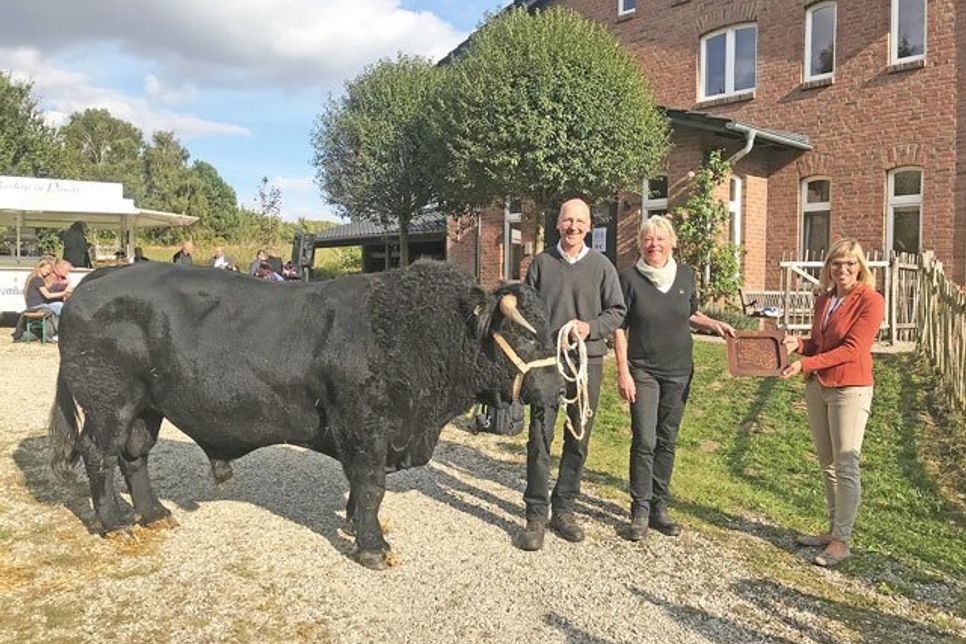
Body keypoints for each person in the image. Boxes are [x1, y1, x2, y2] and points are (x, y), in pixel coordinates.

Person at [613, 215, 736, 541]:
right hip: (644, 370)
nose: (654, 244)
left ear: (672, 242)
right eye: (648, 239)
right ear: (640, 244)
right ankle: (639, 509)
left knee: (667, 440)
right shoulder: (629, 278)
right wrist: (623, 370)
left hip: (680, 369)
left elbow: (688, 312)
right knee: (645, 439)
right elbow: (619, 328)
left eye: (660, 239)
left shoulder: (686, 275)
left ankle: (659, 507)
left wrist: (713, 324)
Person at [515, 197, 626, 551]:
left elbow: (617, 312)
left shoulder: (603, 266)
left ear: (589, 226)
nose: (573, 227)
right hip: (548, 363)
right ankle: (535, 513)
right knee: (539, 436)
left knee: (578, 438)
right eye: (567, 220)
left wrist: (589, 327)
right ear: (558, 224)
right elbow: (527, 311)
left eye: (580, 221)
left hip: (587, 362)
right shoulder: (541, 264)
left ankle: (564, 508)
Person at [781, 238, 884, 567]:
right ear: (828, 267)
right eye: (836, 263)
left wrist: (806, 364)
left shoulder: (871, 300)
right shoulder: (825, 300)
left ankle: (842, 540)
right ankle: (832, 528)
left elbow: (853, 348)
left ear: (860, 267)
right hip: (819, 386)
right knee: (827, 463)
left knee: (846, 464)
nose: (843, 269)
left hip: (849, 388)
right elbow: (821, 343)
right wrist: (800, 344)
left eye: (850, 263)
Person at [22, 257, 71, 338]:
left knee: (59, 307)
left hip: (41, 305)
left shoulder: (38, 279)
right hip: (37, 306)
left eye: (49, 270)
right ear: (40, 267)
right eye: (46, 269)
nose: (47, 271)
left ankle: (57, 332)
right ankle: (58, 333)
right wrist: (64, 292)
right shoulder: (37, 280)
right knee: (60, 306)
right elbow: (48, 295)